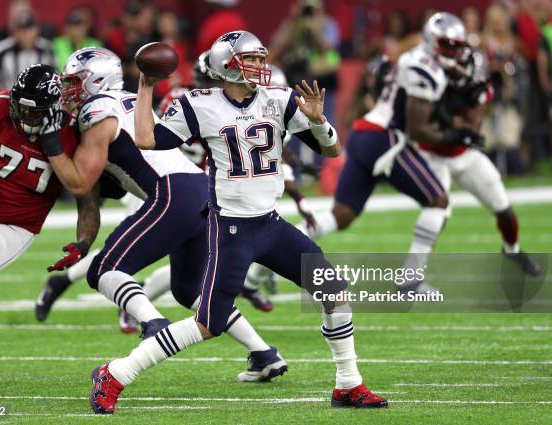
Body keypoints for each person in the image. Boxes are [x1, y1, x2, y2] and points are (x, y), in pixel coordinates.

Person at [87, 30, 388, 414]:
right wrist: (146, 85)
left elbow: (332, 148)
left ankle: (348, 384)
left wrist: (317, 121)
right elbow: (145, 139)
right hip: (231, 230)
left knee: (334, 292)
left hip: (271, 224)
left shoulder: (279, 99)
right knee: (208, 323)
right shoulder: (199, 104)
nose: (261, 67)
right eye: (252, 60)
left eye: (261, 59)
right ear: (226, 66)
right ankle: (115, 373)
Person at [37, 47, 287, 381]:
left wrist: (51, 142)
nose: (70, 90)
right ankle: (263, 353)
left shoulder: (97, 109)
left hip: (174, 193)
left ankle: (153, 323)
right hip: (201, 192)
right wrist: (84, 240)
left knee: (104, 270)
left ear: (95, 80)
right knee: (189, 289)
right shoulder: (125, 100)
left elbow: (80, 183)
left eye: (75, 81)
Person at [295, 13, 485, 294]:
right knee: (439, 201)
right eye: (447, 45)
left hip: (365, 133)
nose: (453, 52)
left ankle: (270, 255)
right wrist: (455, 135)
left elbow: (381, 80)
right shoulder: (425, 68)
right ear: (433, 42)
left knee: (342, 214)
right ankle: (411, 278)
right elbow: (419, 129)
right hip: (384, 138)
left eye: (456, 45)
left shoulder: (413, 57)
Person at [0, 64, 99, 376]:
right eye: (20, 109)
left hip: (12, 229)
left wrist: (83, 242)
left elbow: (87, 200)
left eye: (34, 113)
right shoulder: (0, 111)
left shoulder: (72, 135)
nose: (24, 118)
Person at [417, 47, 541, 275]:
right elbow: (420, 124)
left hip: (463, 154)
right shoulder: (432, 83)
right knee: (437, 215)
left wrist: (446, 118)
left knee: (504, 210)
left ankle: (512, 249)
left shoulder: (479, 91)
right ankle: (414, 273)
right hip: (433, 155)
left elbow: (471, 130)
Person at [0, 11, 54, 92]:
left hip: (40, 102)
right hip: (9, 100)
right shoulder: (2, 48)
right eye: (22, 30)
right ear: (15, 32)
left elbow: (56, 74)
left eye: (29, 30)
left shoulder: (47, 49)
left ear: (37, 30)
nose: (26, 34)